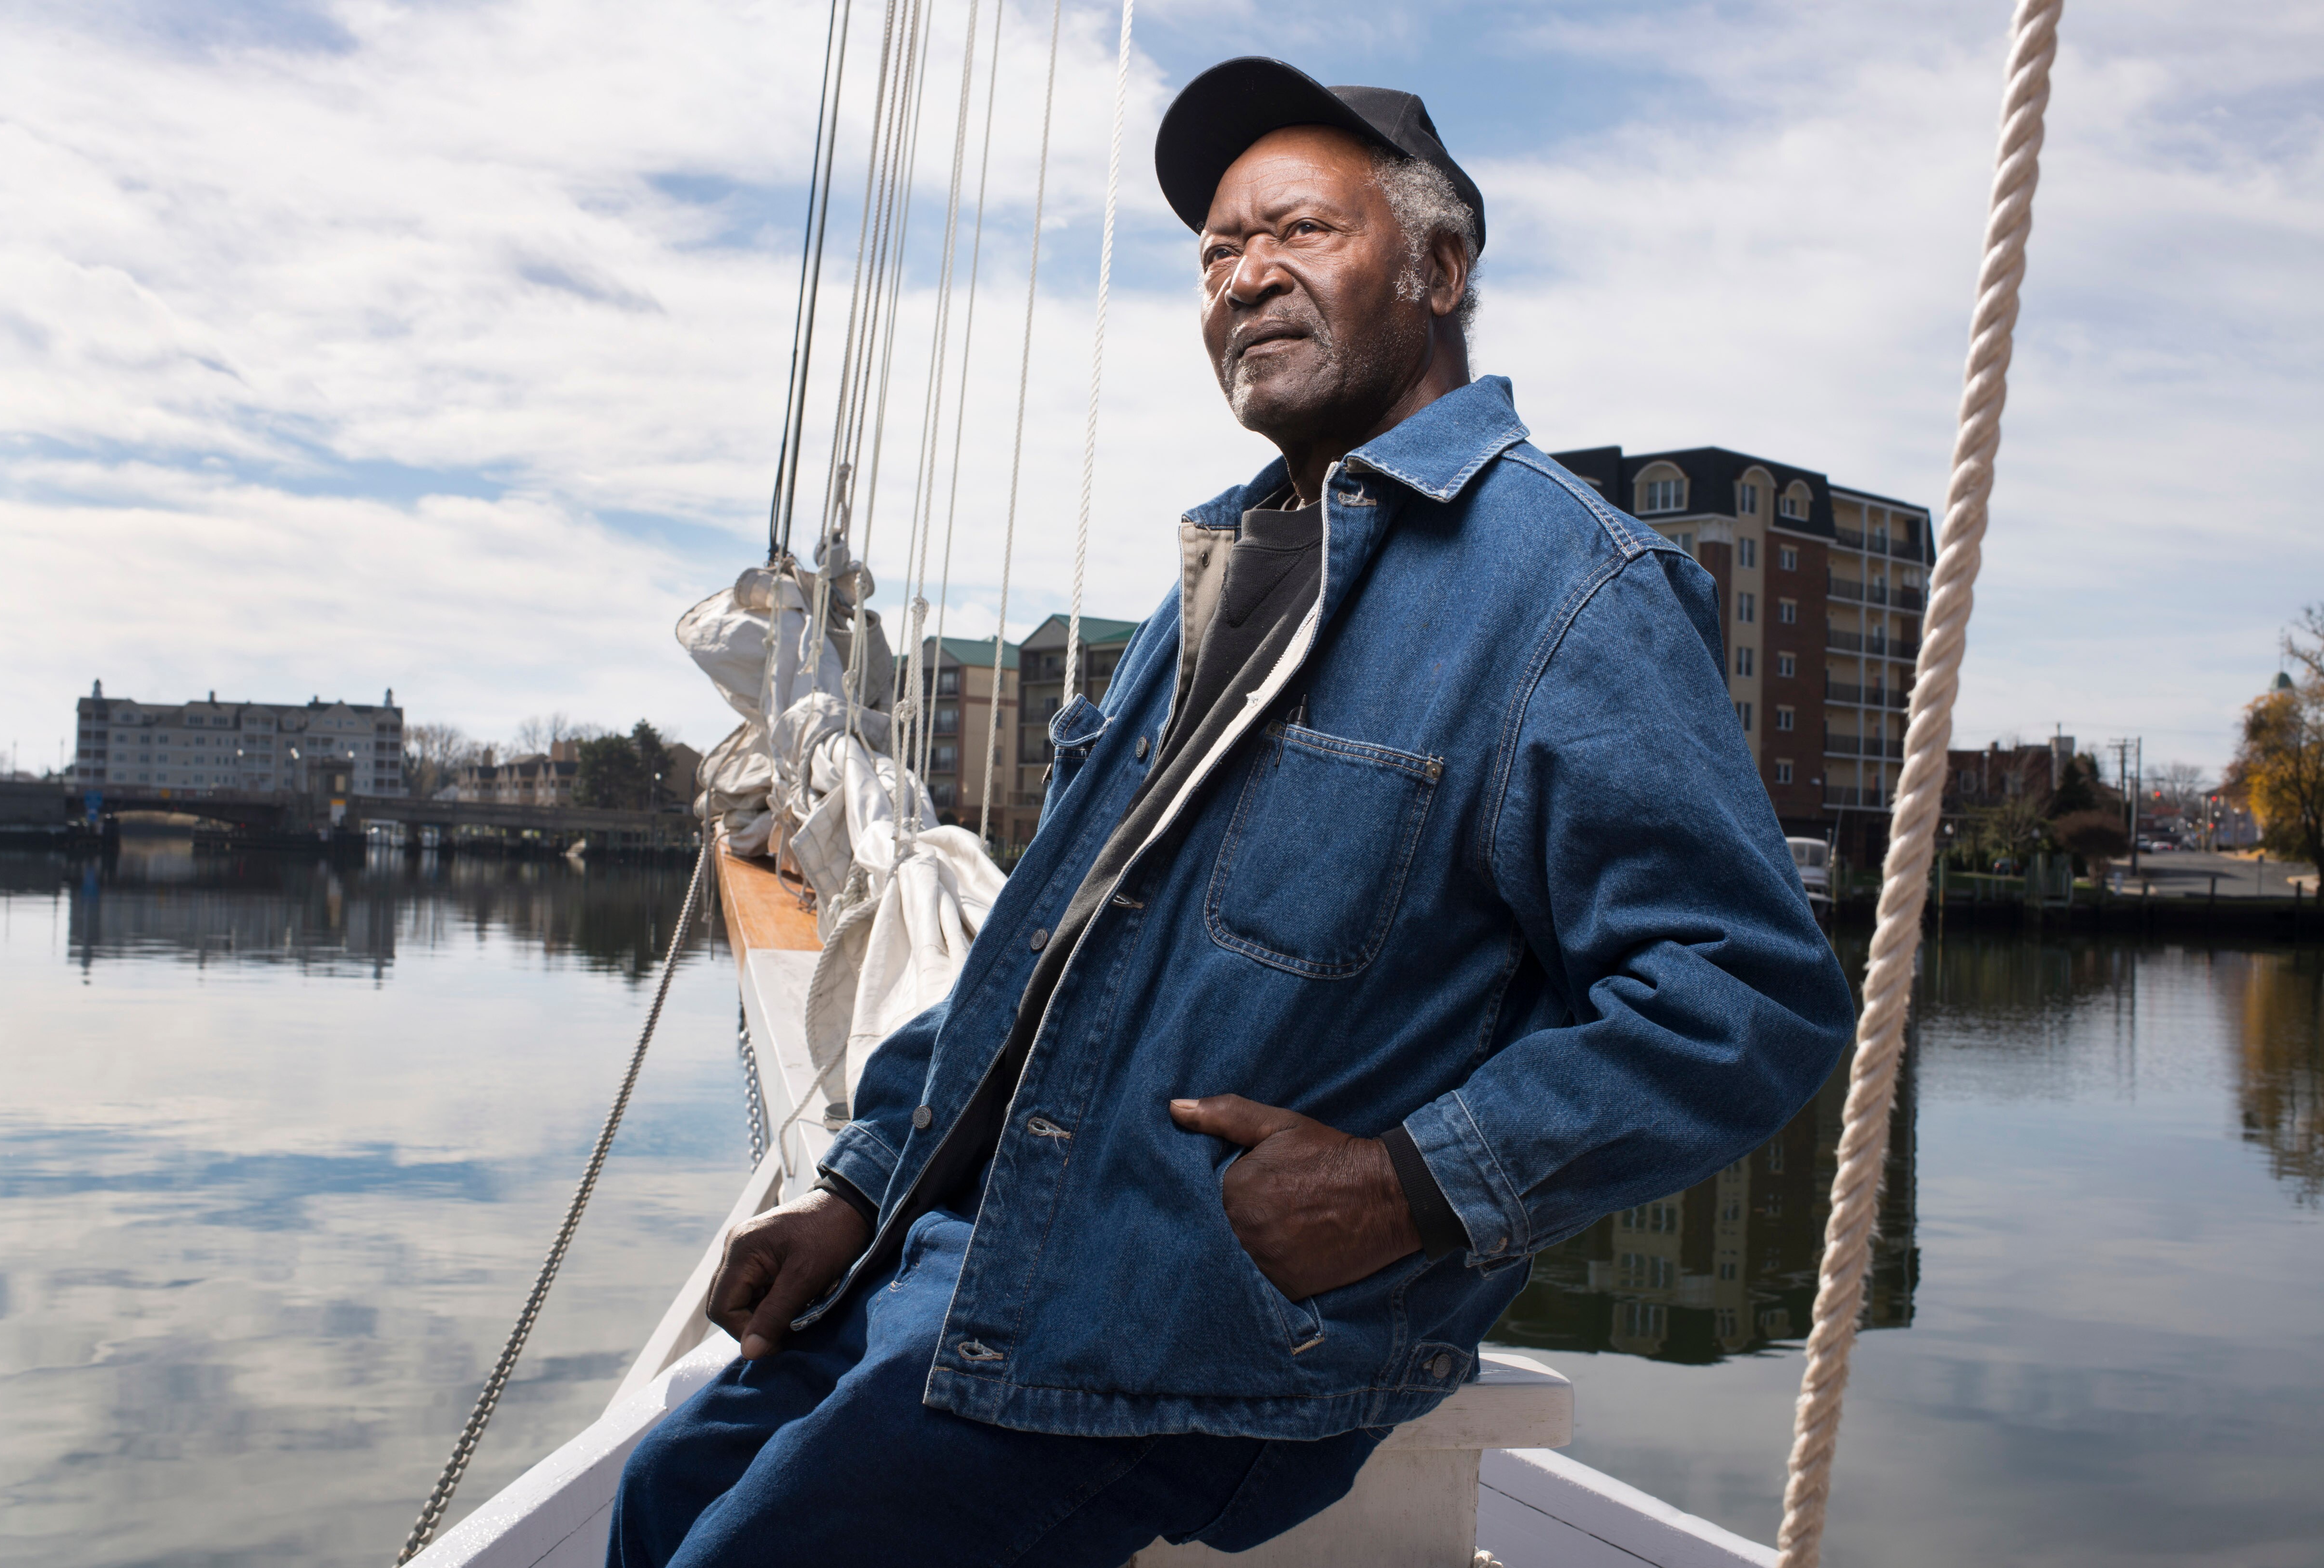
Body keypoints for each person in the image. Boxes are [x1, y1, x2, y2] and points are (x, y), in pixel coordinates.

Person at [611, 56, 1853, 1567]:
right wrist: (864, 1190)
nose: (1247, 275)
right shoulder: (1211, 583)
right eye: (1216, 250)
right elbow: (1040, 953)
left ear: (1440, 268)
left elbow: (1749, 998)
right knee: (658, 1494)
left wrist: (1405, 1186)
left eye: (1302, 234)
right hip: (979, 1259)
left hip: (1193, 1337)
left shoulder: (1571, 589)